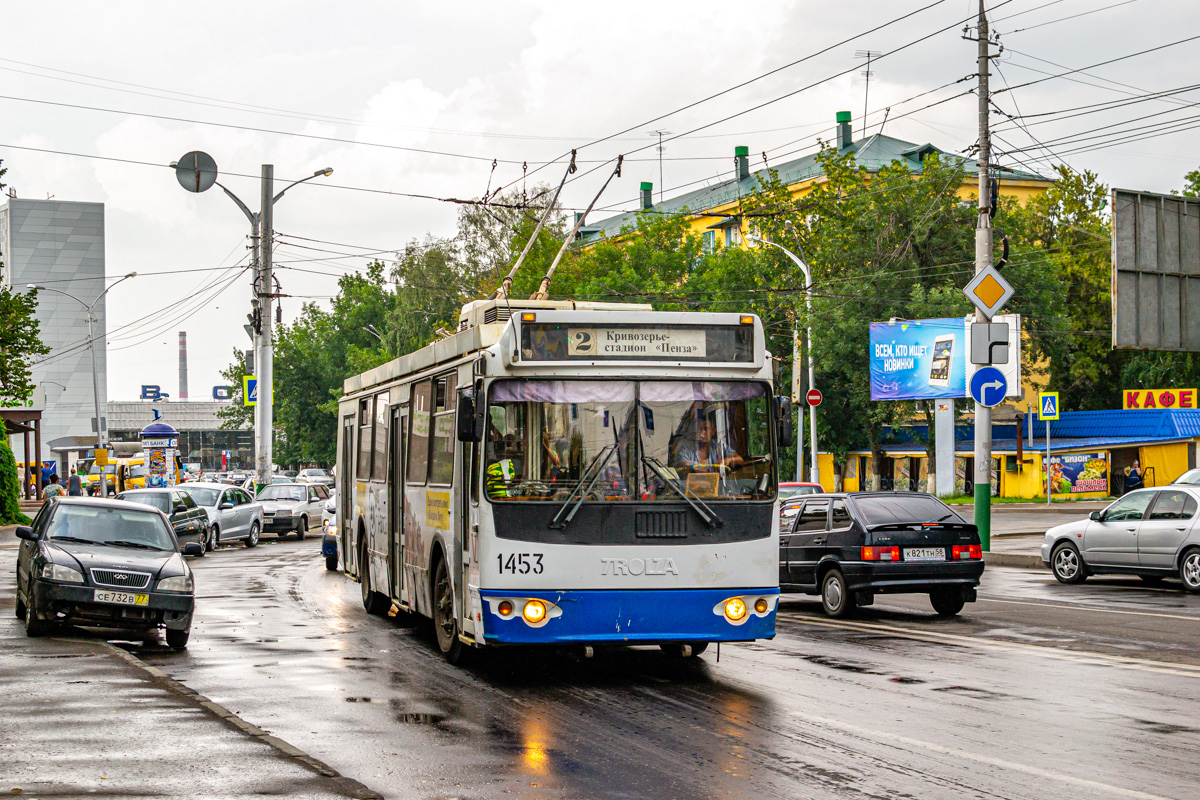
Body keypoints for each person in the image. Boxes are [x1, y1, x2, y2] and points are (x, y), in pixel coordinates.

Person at [674, 415, 744, 472]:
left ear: (713, 431)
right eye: (700, 429)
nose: (702, 433)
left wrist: (728, 460)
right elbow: (685, 466)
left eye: (706, 429)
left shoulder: (718, 445)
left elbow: (740, 460)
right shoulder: (685, 447)